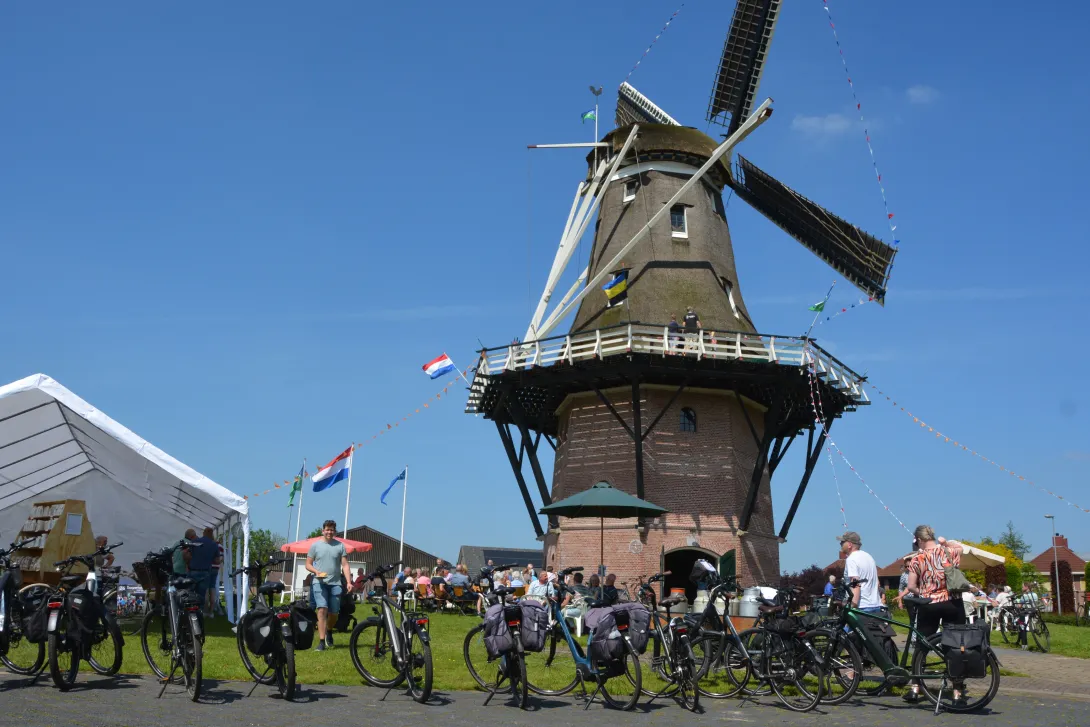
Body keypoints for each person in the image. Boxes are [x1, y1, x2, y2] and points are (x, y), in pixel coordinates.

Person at [905, 525, 967, 702]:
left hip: (929, 604)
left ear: (919, 539)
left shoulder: (917, 558)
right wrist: (945, 542)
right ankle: (957, 692)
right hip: (952, 603)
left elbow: (910, 586)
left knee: (922, 645)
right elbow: (960, 547)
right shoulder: (950, 552)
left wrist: (924, 593)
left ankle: (915, 688)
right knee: (955, 646)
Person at [305, 519, 352, 651]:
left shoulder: (340, 546)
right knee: (321, 609)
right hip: (319, 582)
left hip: (335, 583)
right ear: (323, 530)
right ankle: (321, 641)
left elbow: (345, 565)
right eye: (327, 529)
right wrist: (316, 571)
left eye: (332, 530)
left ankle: (329, 631)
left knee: (334, 613)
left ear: (335, 531)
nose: (329, 532)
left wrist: (348, 582)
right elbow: (308, 564)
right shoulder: (315, 546)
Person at [837, 531, 881, 613]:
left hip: (861, 607)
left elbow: (855, 584)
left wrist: (852, 606)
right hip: (876, 605)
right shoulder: (869, 557)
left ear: (849, 544)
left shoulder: (851, 559)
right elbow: (877, 583)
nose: (840, 544)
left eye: (842, 542)